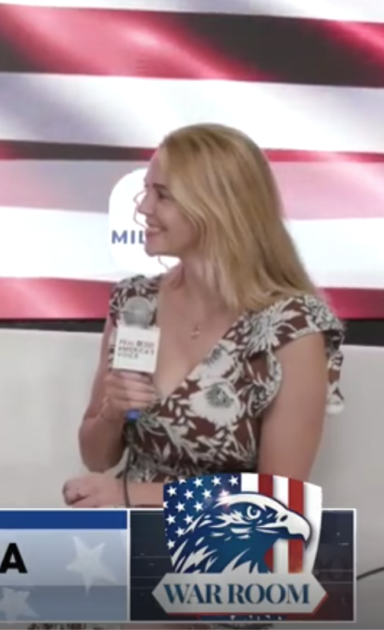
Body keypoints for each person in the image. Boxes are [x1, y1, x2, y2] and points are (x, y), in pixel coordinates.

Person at [34, 123, 345, 630]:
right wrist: (112, 410)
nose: (143, 208)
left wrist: (133, 497)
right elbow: (98, 456)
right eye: (145, 192)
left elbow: (276, 501)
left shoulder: (292, 328)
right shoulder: (134, 301)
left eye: (162, 194)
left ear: (216, 206)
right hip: (123, 537)